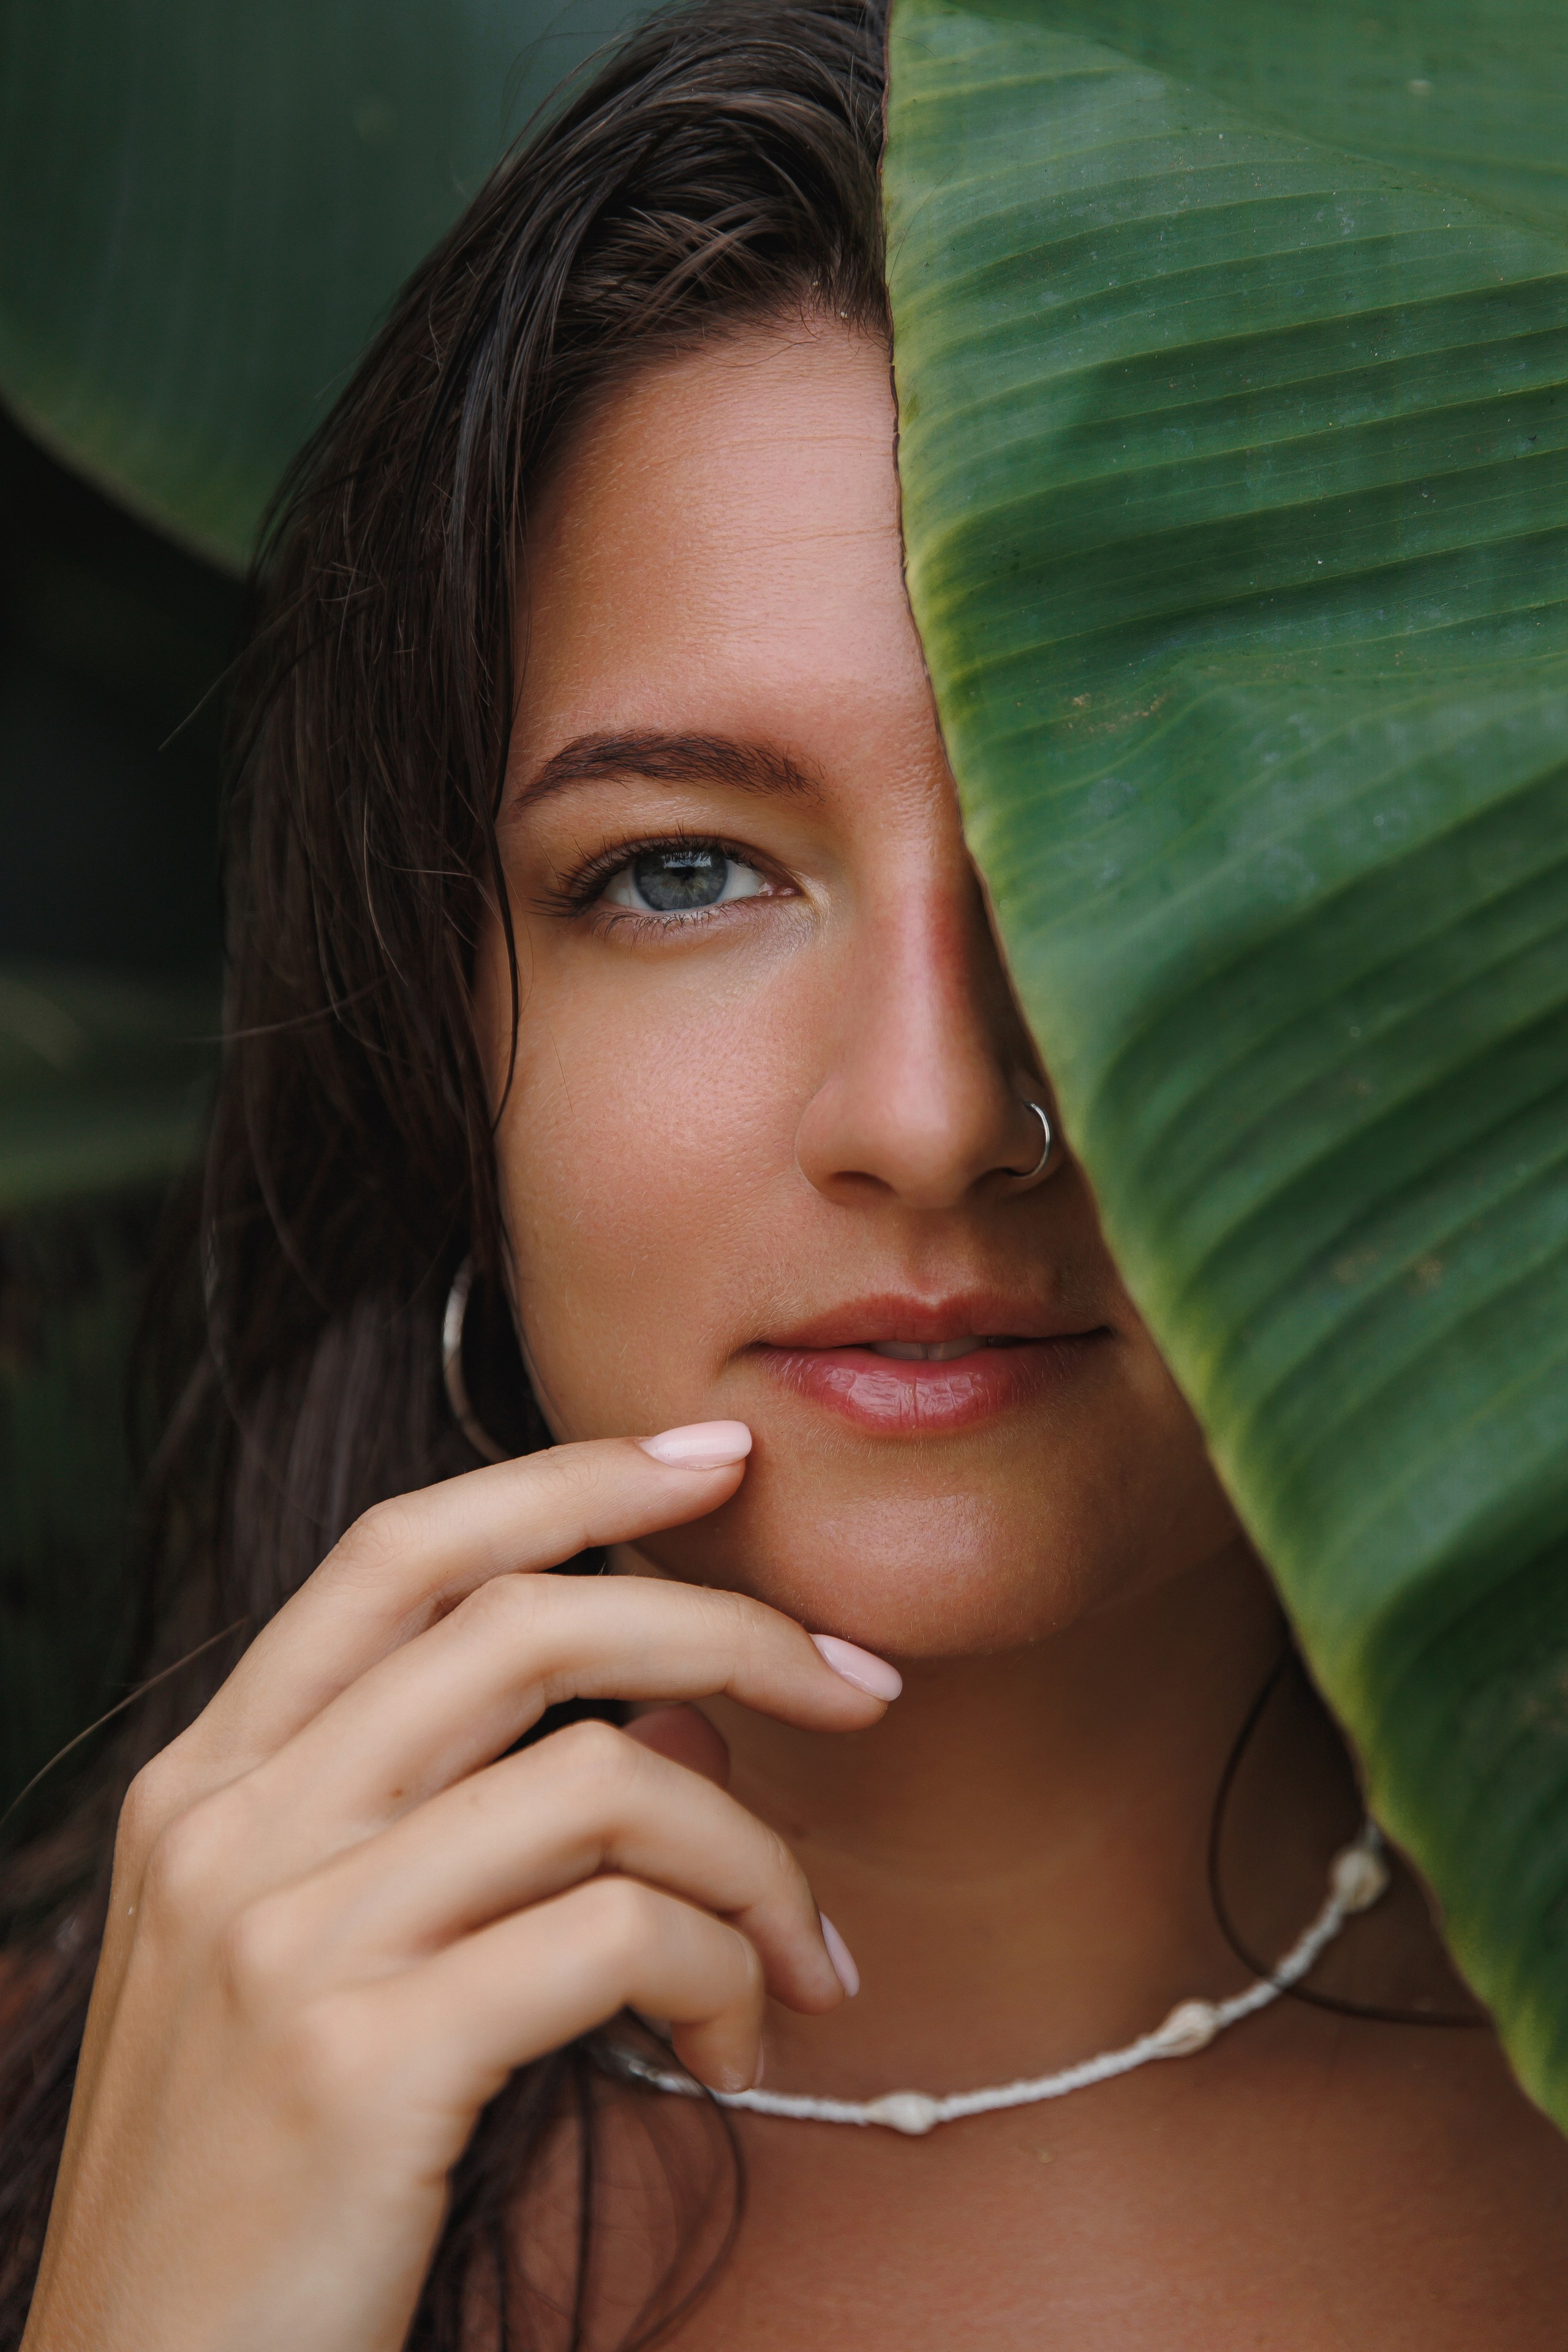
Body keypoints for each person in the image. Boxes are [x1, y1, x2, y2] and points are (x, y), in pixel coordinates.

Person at [6, 2, 1567, 2345]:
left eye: (1106, 869)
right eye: (681, 875)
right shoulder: (82, 2115)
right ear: (448, 1022)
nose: (935, 1115)